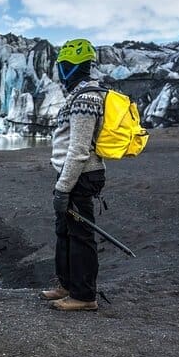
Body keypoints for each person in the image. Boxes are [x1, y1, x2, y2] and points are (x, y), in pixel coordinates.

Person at [41, 39, 106, 311]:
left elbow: (79, 149)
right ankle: (67, 285)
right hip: (71, 176)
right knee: (66, 231)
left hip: (80, 176)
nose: (59, 72)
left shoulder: (87, 99)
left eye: (62, 66)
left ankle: (84, 296)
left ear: (70, 67)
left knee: (80, 235)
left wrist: (64, 188)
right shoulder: (79, 96)